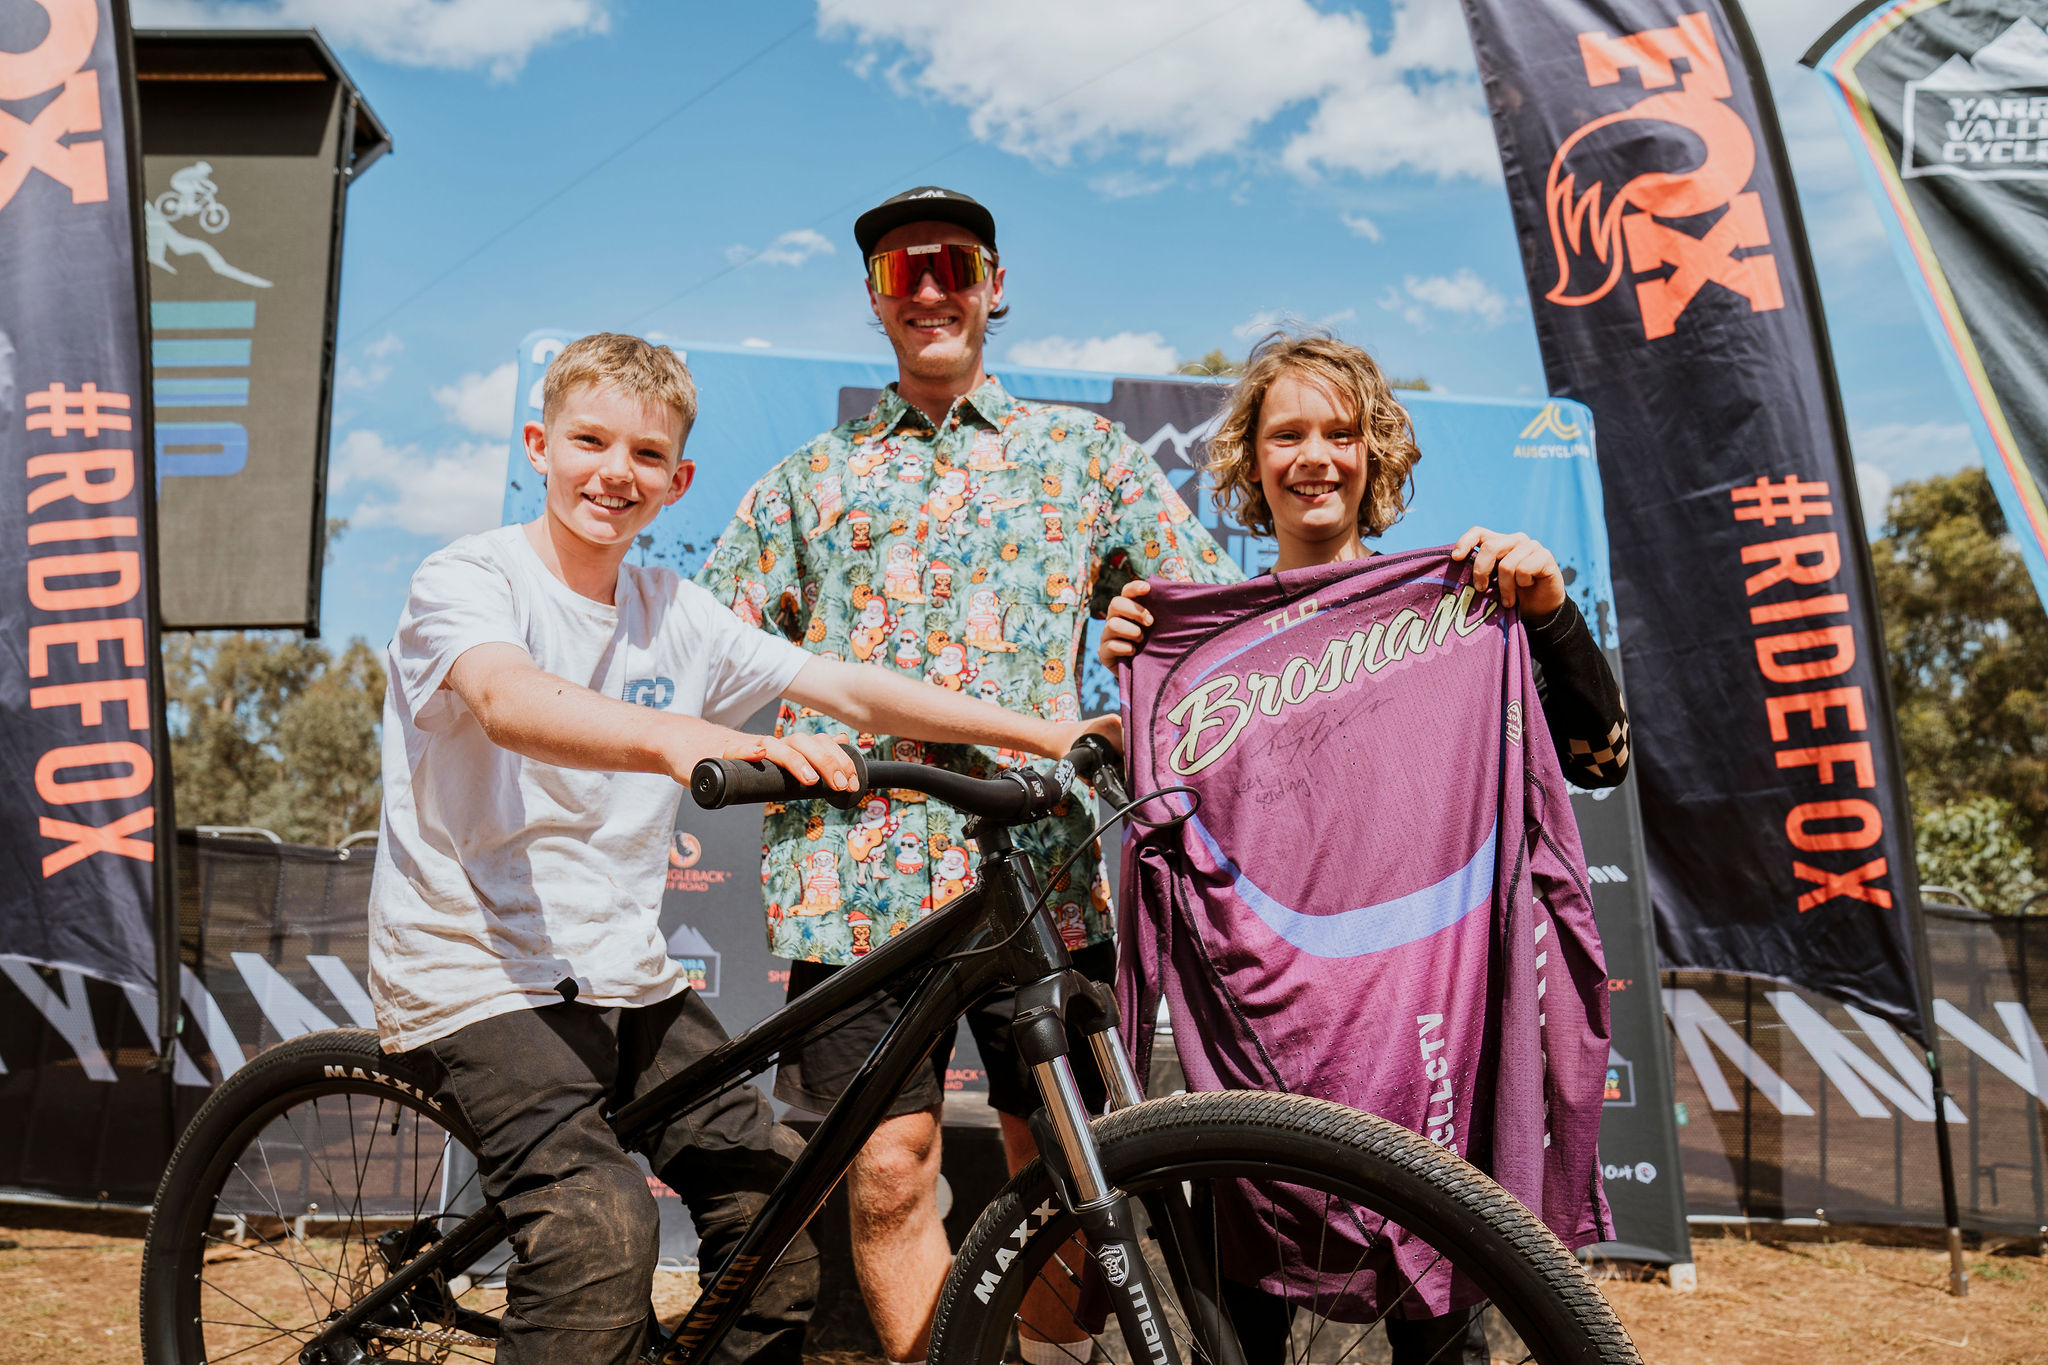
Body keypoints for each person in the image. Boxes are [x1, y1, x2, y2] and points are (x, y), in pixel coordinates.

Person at [368, 332, 1118, 1365]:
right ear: (539, 447)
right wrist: (681, 738)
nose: (615, 472)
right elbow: (505, 698)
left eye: (646, 455)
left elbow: (847, 685)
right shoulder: (469, 577)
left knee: (774, 1214)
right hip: (477, 970)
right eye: (589, 441)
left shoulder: (673, 610)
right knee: (598, 1232)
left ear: (677, 482)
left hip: (621, 973)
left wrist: (1045, 733)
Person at [697, 186, 1241, 1365]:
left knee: (1070, 1173)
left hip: (1038, 869)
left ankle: (1047, 1359)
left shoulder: (1084, 456)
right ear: (874, 300)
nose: (931, 289)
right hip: (853, 878)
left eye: (954, 265)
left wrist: (1147, 652)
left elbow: (1210, 617)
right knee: (889, 1172)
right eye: (904, 272)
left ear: (994, 286)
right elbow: (699, 638)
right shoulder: (807, 478)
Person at [1099, 330, 1627, 1365]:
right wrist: (1138, 669)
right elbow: (1161, 831)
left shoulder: (1455, 613)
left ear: (1373, 452)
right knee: (1238, 1333)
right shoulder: (1201, 652)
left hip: (1427, 1041)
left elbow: (1599, 757)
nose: (1315, 457)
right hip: (1260, 1043)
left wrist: (1550, 614)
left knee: (1443, 1340)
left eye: (1339, 433)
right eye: (1286, 434)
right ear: (1250, 461)